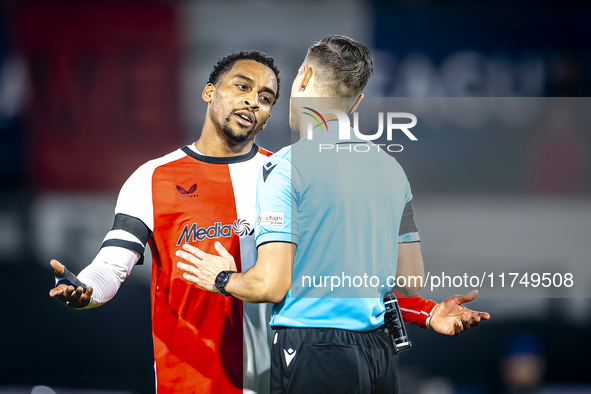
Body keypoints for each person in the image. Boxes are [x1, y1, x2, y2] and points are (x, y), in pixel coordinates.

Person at [176, 36, 490, 394]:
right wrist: (428, 312)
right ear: (356, 102)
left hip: (313, 353)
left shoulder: (284, 168)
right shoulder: (391, 170)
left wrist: (222, 278)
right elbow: (410, 280)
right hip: (379, 354)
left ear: (304, 77)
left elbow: (270, 284)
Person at [48, 50, 281, 394]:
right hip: (187, 382)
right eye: (242, 86)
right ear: (209, 92)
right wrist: (88, 290)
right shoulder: (151, 178)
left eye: (265, 98)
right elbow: (112, 265)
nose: (252, 102)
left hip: (277, 380)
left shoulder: (287, 176)